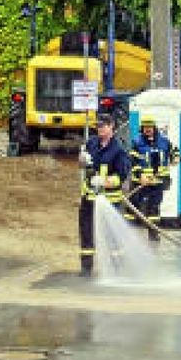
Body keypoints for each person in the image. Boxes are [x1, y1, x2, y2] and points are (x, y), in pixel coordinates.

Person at [78, 114, 131, 277]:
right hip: (89, 198)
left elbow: (122, 176)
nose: (100, 128)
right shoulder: (91, 143)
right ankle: (86, 267)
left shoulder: (119, 149)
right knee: (86, 232)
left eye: (103, 126)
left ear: (112, 127)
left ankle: (116, 268)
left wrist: (105, 181)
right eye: (98, 126)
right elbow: (84, 165)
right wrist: (82, 161)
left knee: (111, 235)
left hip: (109, 201)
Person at [128, 115, 177, 239]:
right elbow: (132, 162)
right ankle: (129, 233)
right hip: (140, 183)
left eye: (150, 126)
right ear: (142, 128)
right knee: (133, 207)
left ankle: (153, 234)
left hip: (157, 182)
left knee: (154, 208)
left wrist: (176, 157)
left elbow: (174, 152)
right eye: (145, 127)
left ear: (154, 127)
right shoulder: (137, 142)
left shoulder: (164, 141)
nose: (148, 129)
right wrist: (140, 176)